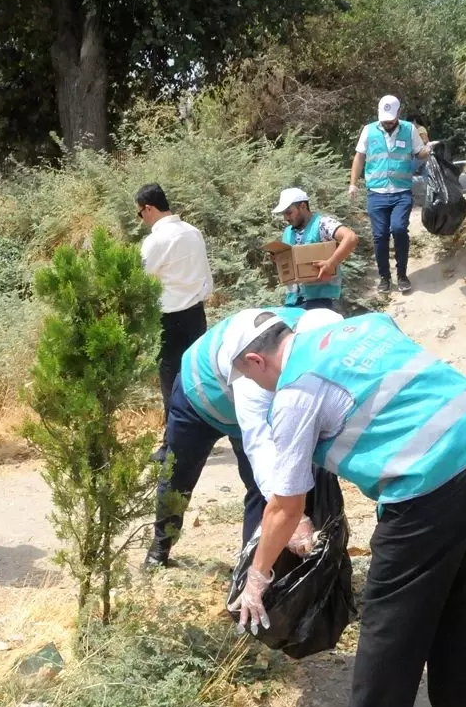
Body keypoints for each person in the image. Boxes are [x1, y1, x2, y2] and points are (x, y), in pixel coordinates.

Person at [225, 310, 466, 707]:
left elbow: (285, 506)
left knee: (391, 616)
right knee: (458, 600)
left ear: (256, 360)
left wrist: (258, 577)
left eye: (247, 378)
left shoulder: (296, 391)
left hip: (434, 480)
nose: (257, 390)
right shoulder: (358, 327)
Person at [144, 306, 345, 568]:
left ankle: (254, 563)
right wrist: (294, 519)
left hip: (250, 411)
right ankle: (161, 546)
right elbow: (261, 447)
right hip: (198, 404)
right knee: (179, 475)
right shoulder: (259, 370)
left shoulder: (311, 336)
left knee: (260, 489)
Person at [136, 183, 213, 417]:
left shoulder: (157, 241)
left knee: (171, 380)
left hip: (169, 319)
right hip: (197, 314)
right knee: (196, 379)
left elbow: (139, 278)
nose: (141, 220)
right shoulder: (193, 231)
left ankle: (172, 443)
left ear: (148, 208)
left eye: (140, 213)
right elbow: (206, 276)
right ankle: (200, 434)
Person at [349, 95, 431, 295]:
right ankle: (384, 277)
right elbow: (359, 157)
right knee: (380, 236)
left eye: (391, 119)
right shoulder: (368, 130)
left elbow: (419, 152)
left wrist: (427, 151)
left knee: (399, 229)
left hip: (401, 191)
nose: (388, 122)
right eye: (385, 118)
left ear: (398, 114)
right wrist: (353, 184)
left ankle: (402, 275)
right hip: (376, 193)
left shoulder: (410, 130)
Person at [269, 188, 359, 311]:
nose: (285, 218)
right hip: (293, 301)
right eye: (283, 214)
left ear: (302, 206)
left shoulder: (323, 224)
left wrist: (331, 263)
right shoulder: (287, 232)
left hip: (323, 299)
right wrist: (278, 259)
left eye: (289, 213)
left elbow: (351, 237)